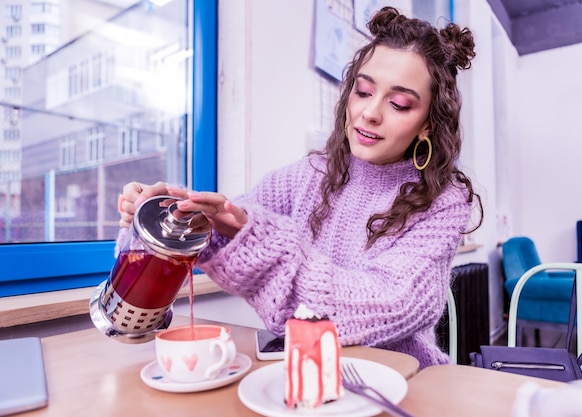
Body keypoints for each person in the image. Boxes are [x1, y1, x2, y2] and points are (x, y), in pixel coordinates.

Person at [117, 7, 483, 368]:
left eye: (400, 104)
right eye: (363, 91)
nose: (370, 113)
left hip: (404, 382)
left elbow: (392, 304)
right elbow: (230, 222)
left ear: (428, 124)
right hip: (306, 374)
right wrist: (164, 214)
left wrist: (261, 240)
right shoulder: (308, 175)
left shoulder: (444, 202)